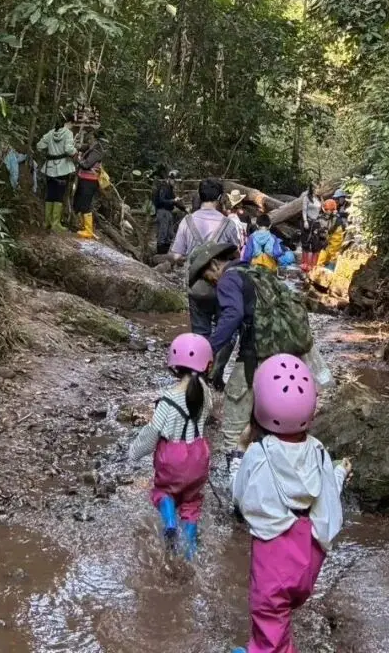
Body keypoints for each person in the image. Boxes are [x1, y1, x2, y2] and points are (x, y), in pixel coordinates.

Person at [229, 355, 347, 653]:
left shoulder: (258, 453)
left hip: (274, 560)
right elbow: (328, 492)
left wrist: (236, 459)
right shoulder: (318, 451)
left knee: (271, 620)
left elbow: (240, 496)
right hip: (309, 556)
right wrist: (342, 471)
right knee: (281, 619)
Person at [128, 332, 214, 562]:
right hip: (198, 454)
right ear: (207, 364)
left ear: (175, 366)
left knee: (163, 491)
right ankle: (190, 552)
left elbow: (151, 434)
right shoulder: (206, 393)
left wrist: (134, 453)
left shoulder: (167, 400)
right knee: (192, 501)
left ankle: (169, 521)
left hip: (172, 458)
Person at [170, 179, 242, 335]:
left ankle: (201, 357)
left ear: (200, 196)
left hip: (197, 286)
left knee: (200, 332)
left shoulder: (186, 222)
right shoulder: (227, 224)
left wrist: (190, 259)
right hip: (221, 283)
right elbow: (236, 255)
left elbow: (176, 256)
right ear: (219, 198)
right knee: (224, 331)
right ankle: (218, 359)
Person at [36, 114, 76, 232]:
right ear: (69, 123)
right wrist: (75, 152)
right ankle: (55, 224)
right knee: (59, 195)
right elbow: (69, 149)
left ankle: (47, 222)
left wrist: (50, 150)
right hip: (63, 168)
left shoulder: (50, 133)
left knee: (50, 194)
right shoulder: (68, 134)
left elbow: (39, 146)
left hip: (50, 168)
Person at [73, 125, 107, 239]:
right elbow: (81, 147)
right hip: (84, 179)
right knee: (79, 201)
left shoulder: (97, 150)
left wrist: (77, 159)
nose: (88, 137)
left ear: (95, 138)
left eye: (91, 136)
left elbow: (87, 164)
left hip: (90, 180)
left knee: (85, 204)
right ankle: (82, 226)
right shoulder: (91, 146)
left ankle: (88, 230)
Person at [152, 172, 179, 255]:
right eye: (174, 181)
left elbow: (175, 201)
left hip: (168, 212)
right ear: (169, 179)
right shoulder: (163, 187)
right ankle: (160, 255)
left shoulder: (170, 188)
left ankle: (165, 254)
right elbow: (161, 200)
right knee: (163, 233)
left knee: (169, 234)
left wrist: (185, 209)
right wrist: (173, 201)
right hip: (162, 211)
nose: (175, 183)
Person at [299, 183, 322, 273]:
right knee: (305, 242)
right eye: (316, 189)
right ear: (312, 189)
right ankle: (304, 263)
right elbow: (304, 210)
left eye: (319, 189)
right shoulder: (306, 198)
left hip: (316, 223)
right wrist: (305, 221)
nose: (318, 190)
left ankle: (313, 265)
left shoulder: (320, 198)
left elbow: (322, 209)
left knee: (316, 243)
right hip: (308, 221)